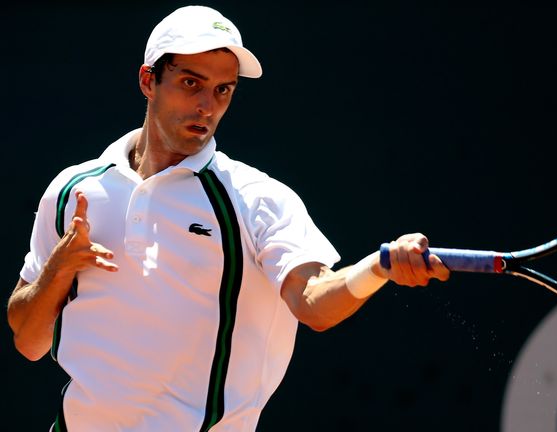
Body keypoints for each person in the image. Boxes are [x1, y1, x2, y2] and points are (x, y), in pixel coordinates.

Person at [6, 5, 449, 431]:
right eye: (191, 83)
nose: (207, 105)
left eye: (223, 90)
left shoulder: (257, 199)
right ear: (148, 80)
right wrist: (58, 270)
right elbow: (27, 340)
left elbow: (313, 303)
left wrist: (378, 267)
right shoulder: (73, 191)